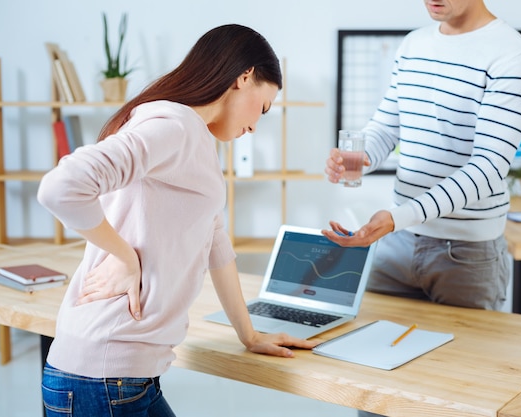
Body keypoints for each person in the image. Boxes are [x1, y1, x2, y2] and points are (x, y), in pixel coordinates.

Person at [37, 24, 317, 417]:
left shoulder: (194, 139)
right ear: (244, 77)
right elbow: (61, 187)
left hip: (123, 381)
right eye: (264, 107)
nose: (256, 125)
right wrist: (124, 255)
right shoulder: (173, 125)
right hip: (102, 380)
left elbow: (218, 247)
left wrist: (249, 335)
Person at [324, 2, 521, 414]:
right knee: (373, 386)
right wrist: (359, 156)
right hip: (398, 243)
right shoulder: (414, 45)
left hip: (467, 257)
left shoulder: (512, 55)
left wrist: (397, 217)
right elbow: (387, 126)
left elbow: (488, 168)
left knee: (457, 396)